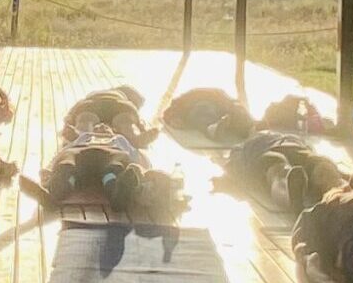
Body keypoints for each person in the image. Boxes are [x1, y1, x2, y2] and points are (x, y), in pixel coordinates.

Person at [31, 127, 181, 221]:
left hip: (111, 156)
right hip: (77, 155)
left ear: (112, 131)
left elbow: (137, 160)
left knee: (113, 168)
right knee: (67, 166)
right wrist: (50, 170)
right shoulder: (85, 137)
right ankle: (59, 187)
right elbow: (63, 151)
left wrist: (139, 171)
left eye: (106, 128)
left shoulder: (119, 140)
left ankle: (118, 193)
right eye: (97, 127)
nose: (101, 126)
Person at [223, 128, 353, 213]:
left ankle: (289, 191)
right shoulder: (245, 145)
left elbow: (232, 165)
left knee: (280, 169)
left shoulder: (244, 145)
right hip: (290, 151)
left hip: (276, 152)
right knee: (315, 165)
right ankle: (342, 188)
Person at [64, 86, 155, 146]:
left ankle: (80, 136)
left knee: (85, 120)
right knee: (125, 123)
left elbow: (71, 114)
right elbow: (139, 121)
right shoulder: (124, 96)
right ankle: (133, 139)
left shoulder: (92, 95)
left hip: (92, 105)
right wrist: (141, 128)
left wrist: (69, 121)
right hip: (119, 105)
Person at [162, 87, 256, 146]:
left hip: (216, 102)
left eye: (176, 122)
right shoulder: (183, 114)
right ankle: (215, 129)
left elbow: (200, 95)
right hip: (216, 107)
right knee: (199, 115)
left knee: (198, 113)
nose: (178, 125)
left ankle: (243, 127)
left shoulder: (181, 104)